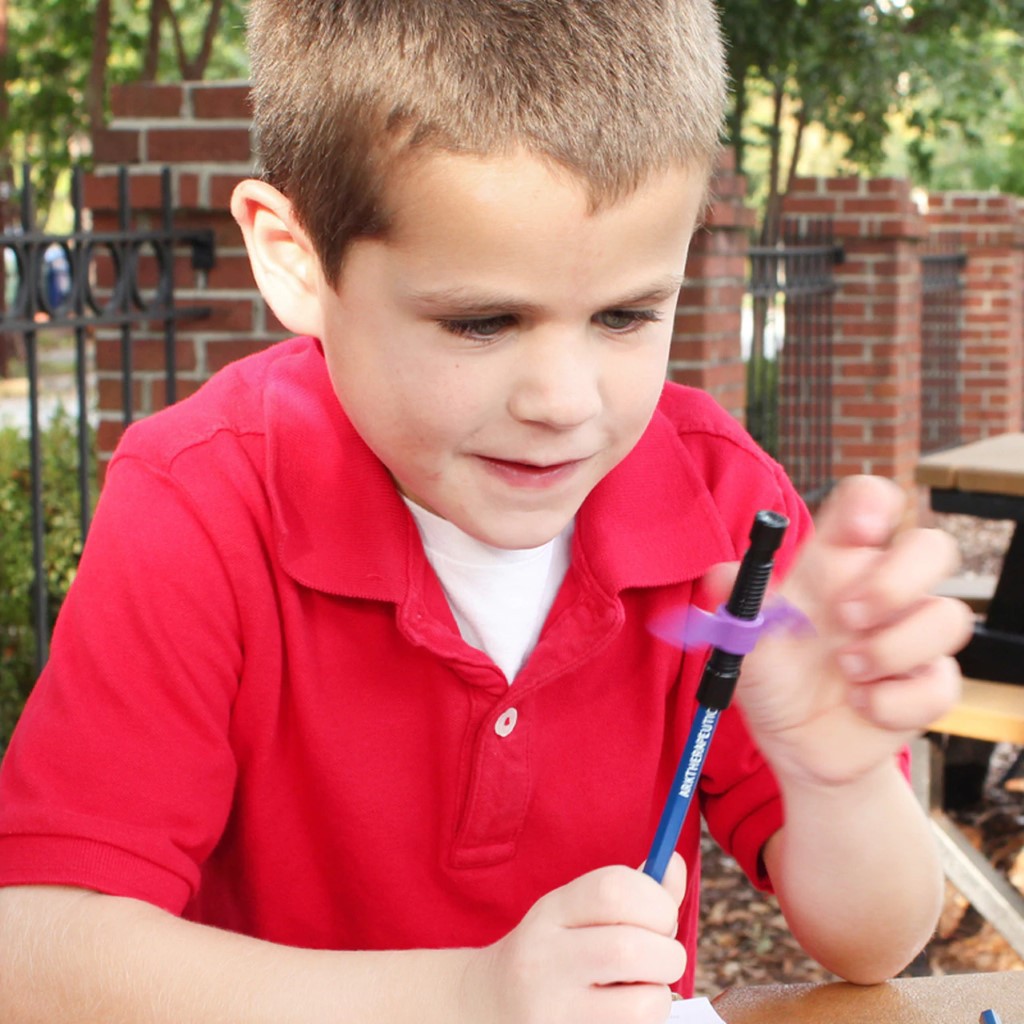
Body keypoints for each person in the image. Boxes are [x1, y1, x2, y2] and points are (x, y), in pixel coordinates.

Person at [0, 2, 972, 1021]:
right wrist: (468, 997)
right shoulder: (203, 499)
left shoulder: (721, 508)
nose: (563, 401)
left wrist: (839, 779)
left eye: (627, 314)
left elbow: (877, 940)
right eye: (480, 321)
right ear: (293, 257)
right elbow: (37, 953)